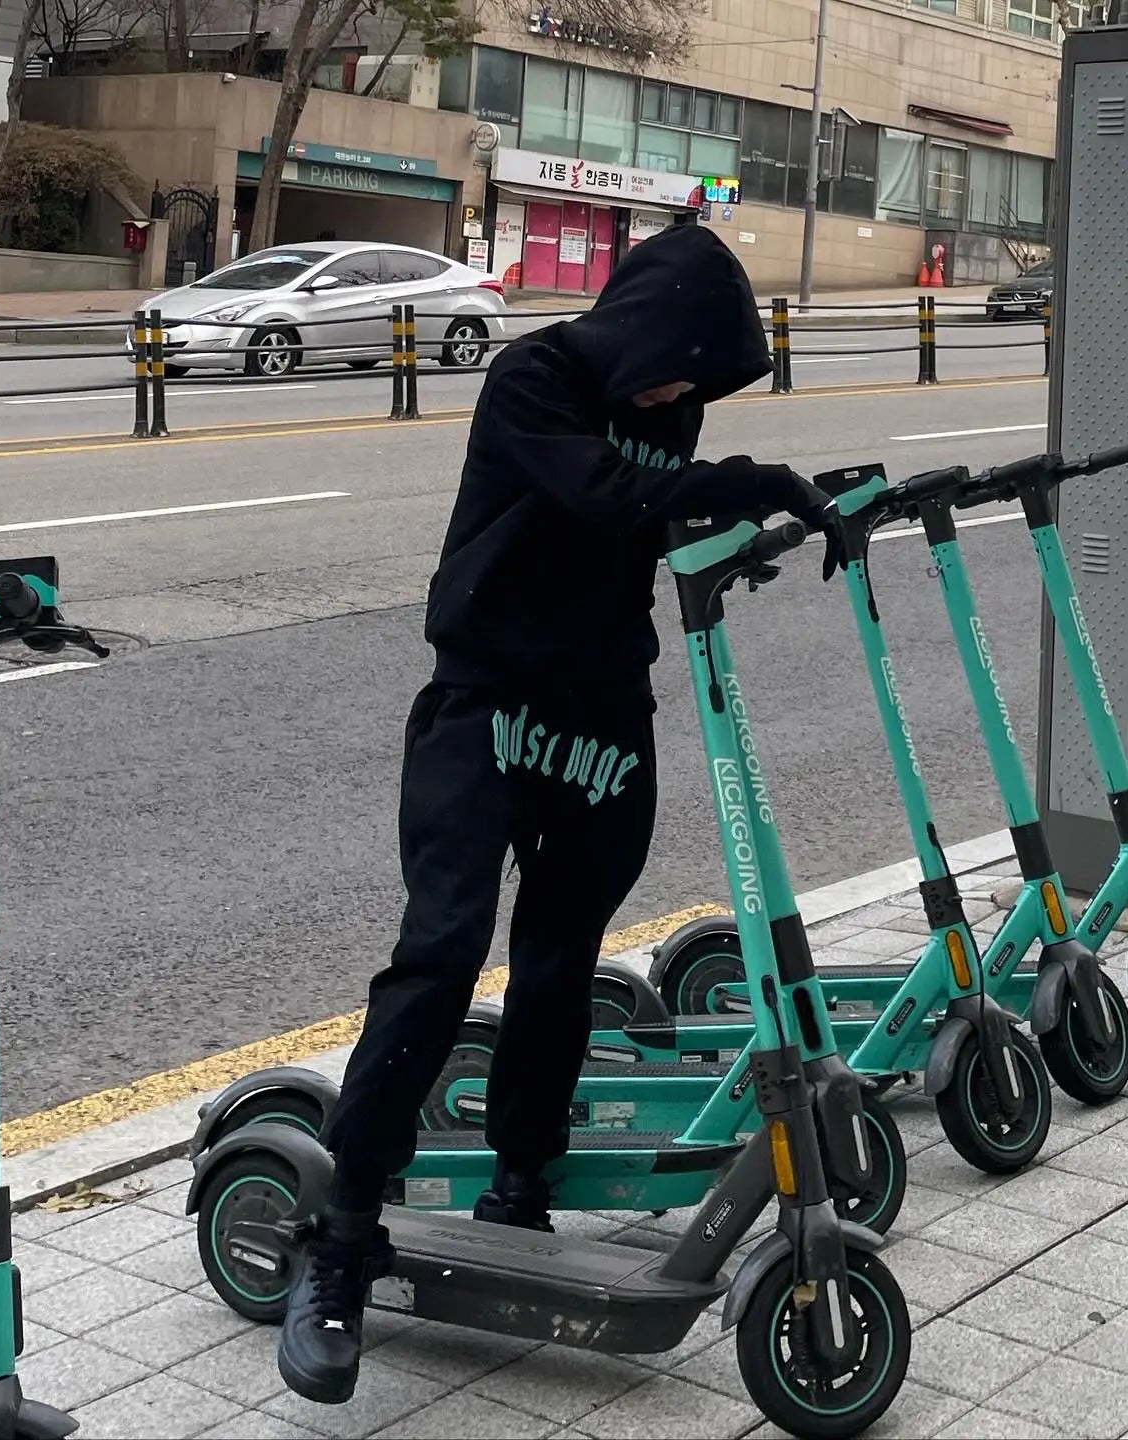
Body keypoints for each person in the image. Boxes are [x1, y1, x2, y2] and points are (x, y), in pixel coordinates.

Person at [277, 221, 844, 1405]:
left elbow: (651, 513)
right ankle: (339, 1240)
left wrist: (756, 521)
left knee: (562, 958)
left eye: (703, 382)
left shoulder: (670, 406)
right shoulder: (530, 377)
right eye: (683, 363)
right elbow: (598, 490)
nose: (686, 394)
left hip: (598, 713)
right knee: (439, 953)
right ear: (643, 327)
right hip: (484, 701)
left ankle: (519, 1181)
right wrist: (747, 481)